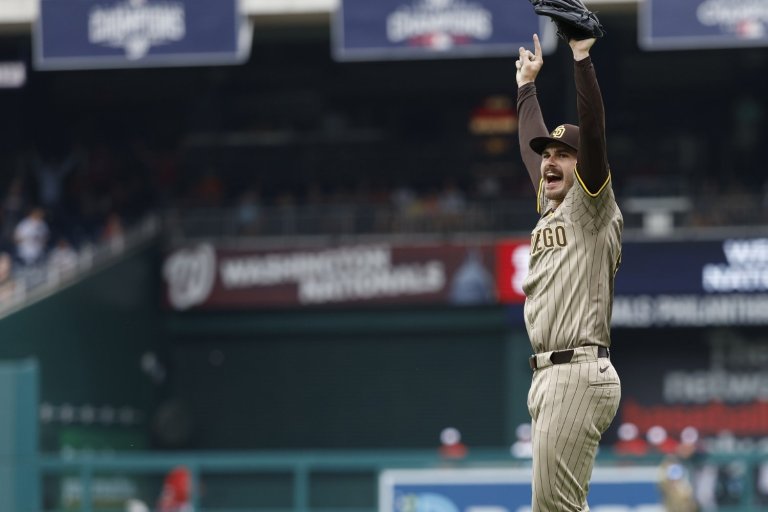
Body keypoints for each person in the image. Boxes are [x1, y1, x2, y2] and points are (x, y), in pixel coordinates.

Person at [515, 33, 623, 511]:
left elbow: (594, 132)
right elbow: (529, 151)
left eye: (562, 154)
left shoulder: (591, 205)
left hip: (576, 368)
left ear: (583, 169)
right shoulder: (551, 208)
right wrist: (525, 89)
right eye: (547, 155)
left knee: (555, 508)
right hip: (551, 375)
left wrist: (581, 60)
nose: (549, 161)